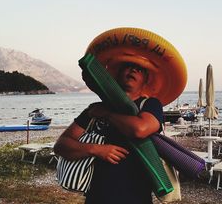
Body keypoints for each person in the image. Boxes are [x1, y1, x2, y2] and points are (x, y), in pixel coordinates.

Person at [54, 61, 163, 204]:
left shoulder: (150, 105)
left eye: (140, 69)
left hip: (136, 197)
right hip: (96, 197)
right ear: (116, 75)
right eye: (127, 66)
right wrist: (96, 149)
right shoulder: (94, 110)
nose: (133, 70)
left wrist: (107, 114)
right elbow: (61, 146)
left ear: (146, 80)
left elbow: (140, 129)